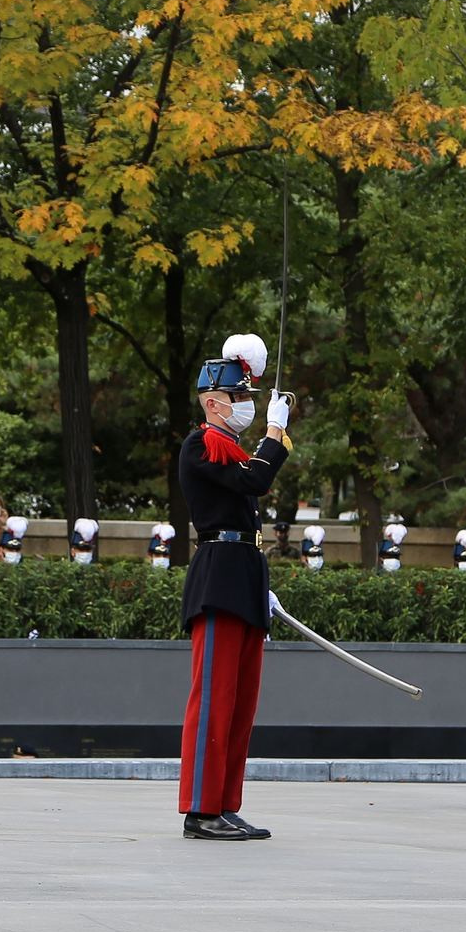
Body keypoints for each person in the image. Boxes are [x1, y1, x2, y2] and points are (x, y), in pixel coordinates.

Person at [176, 333, 292, 842]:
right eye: (238, 396)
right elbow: (254, 480)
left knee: (241, 703)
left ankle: (224, 803)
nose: (245, 404)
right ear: (213, 402)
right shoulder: (203, 442)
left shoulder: (230, 447)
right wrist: (275, 431)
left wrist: (258, 579)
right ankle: (200, 809)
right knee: (214, 698)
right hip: (219, 574)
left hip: (240, 570)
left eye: (247, 396)